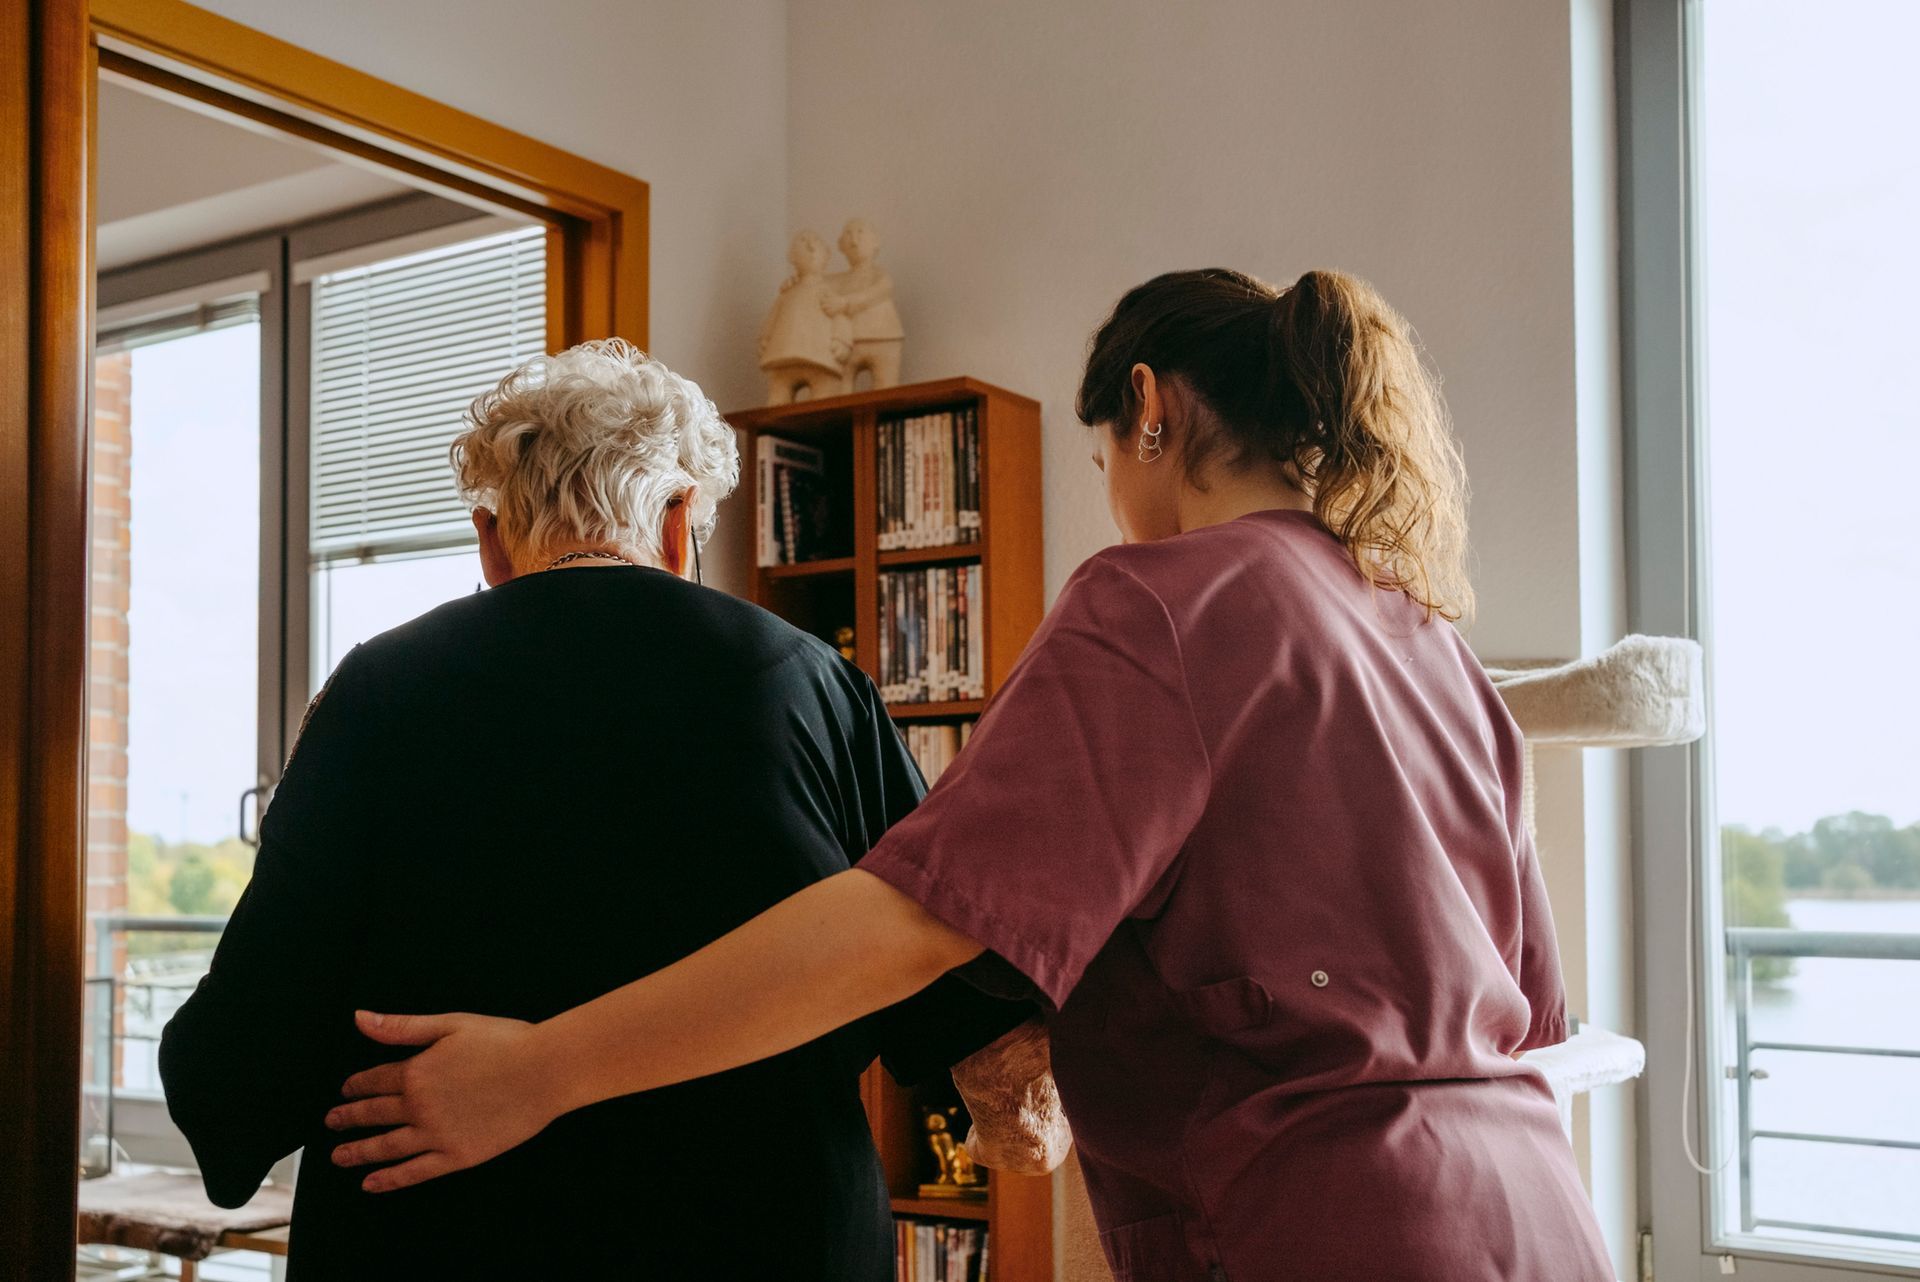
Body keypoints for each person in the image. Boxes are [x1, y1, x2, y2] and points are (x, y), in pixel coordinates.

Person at [325, 272, 1616, 1282]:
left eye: (1105, 453)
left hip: (1326, 1220)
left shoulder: (1165, 598)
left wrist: (541, 1066)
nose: (1110, 494)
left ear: (1150, 408)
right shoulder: (1423, 629)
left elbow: (908, 921)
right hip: (1532, 1211)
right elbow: (1535, 1005)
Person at [158, 339, 1036, 1280]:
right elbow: (967, 1001)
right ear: (677, 521)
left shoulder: (377, 692)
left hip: (436, 1244)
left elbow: (234, 1070)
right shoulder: (810, 685)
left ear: (491, 539)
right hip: (766, 1242)